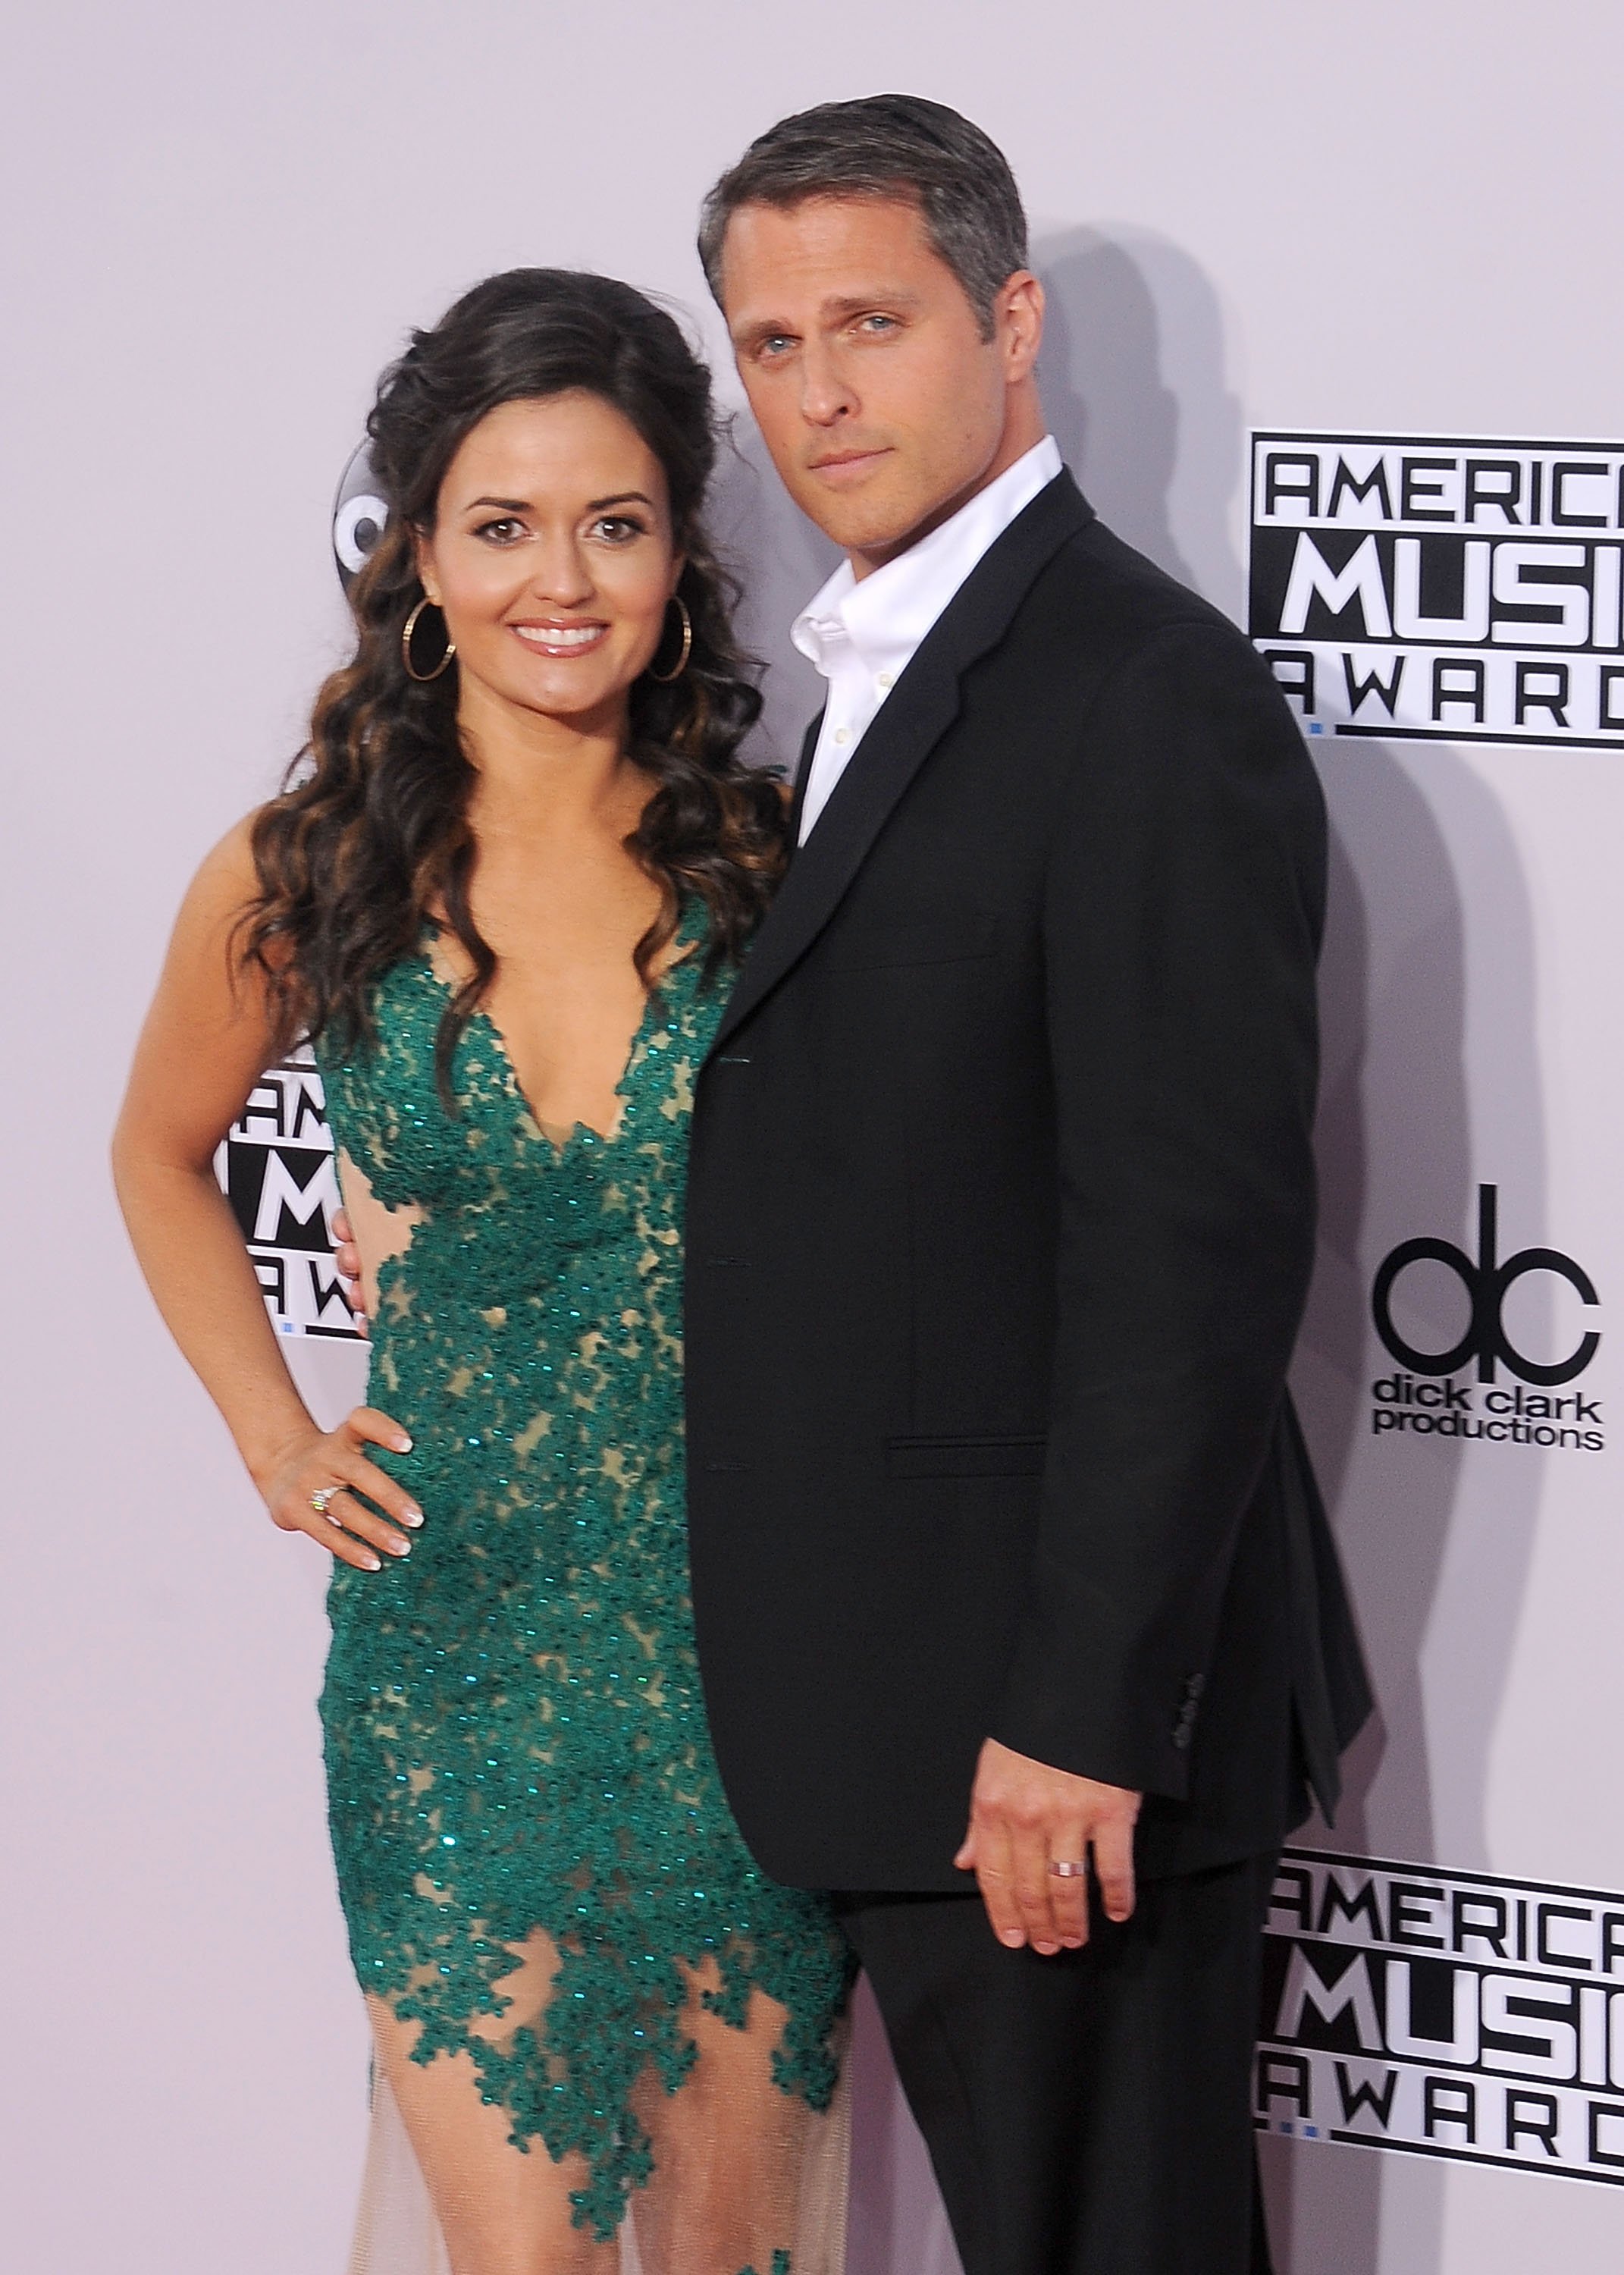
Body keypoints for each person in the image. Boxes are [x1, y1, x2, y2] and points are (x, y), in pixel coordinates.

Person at [677, 96, 1374, 2275]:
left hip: (1052, 1757)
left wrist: (1079, 1718)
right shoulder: (876, 676)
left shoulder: (1140, 692)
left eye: (869, 324)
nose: (820, 394)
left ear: (1010, 319)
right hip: (890, 1708)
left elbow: (1190, 1249)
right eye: (771, 345)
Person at [112, 268, 853, 2275]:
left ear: (681, 560)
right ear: (417, 555)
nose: (564, 578)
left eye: (614, 524)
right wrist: (277, 1436)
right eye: (503, 524)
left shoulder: (772, 871)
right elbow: (159, 1156)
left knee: (729, 2254)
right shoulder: (300, 874)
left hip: (746, 1671)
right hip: (450, 1675)